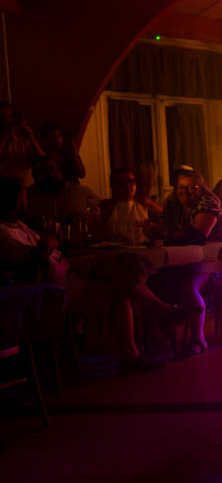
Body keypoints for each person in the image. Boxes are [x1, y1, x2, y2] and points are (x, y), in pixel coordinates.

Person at [0, 177, 188, 373]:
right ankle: (156, 321)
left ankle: (158, 317)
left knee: (123, 262)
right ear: (12, 200)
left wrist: (49, 244)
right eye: (23, 197)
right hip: (49, 283)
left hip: (63, 265)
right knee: (121, 288)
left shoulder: (19, 225)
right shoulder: (3, 232)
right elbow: (33, 260)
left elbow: (49, 244)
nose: (27, 201)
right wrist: (47, 245)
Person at [147, 167, 222, 356]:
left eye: (192, 187)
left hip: (219, 260)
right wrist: (152, 228)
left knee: (188, 283)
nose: (186, 192)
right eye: (181, 187)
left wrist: (165, 235)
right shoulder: (173, 203)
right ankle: (156, 336)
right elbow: (162, 227)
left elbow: (197, 235)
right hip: (184, 260)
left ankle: (198, 340)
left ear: (200, 188)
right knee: (151, 280)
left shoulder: (208, 202)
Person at [25, 156, 98, 225]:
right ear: (34, 175)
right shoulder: (26, 197)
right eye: (43, 171)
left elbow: (100, 212)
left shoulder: (82, 192)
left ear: (60, 171)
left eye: (52, 169)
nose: (50, 174)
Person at [100, 168, 163, 244]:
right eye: (121, 183)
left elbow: (166, 216)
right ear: (112, 185)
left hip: (141, 250)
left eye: (131, 181)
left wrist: (154, 228)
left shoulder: (143, 203)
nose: (127, 186)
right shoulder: (106, 206)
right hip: (115, 252)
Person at [0, 104, 43, 185]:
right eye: (2, 117)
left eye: (9, 116)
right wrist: (4, 138)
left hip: (28, 187)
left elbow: (43, 161)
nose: (7, 120)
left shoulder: (22, 140)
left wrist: (31, 137)